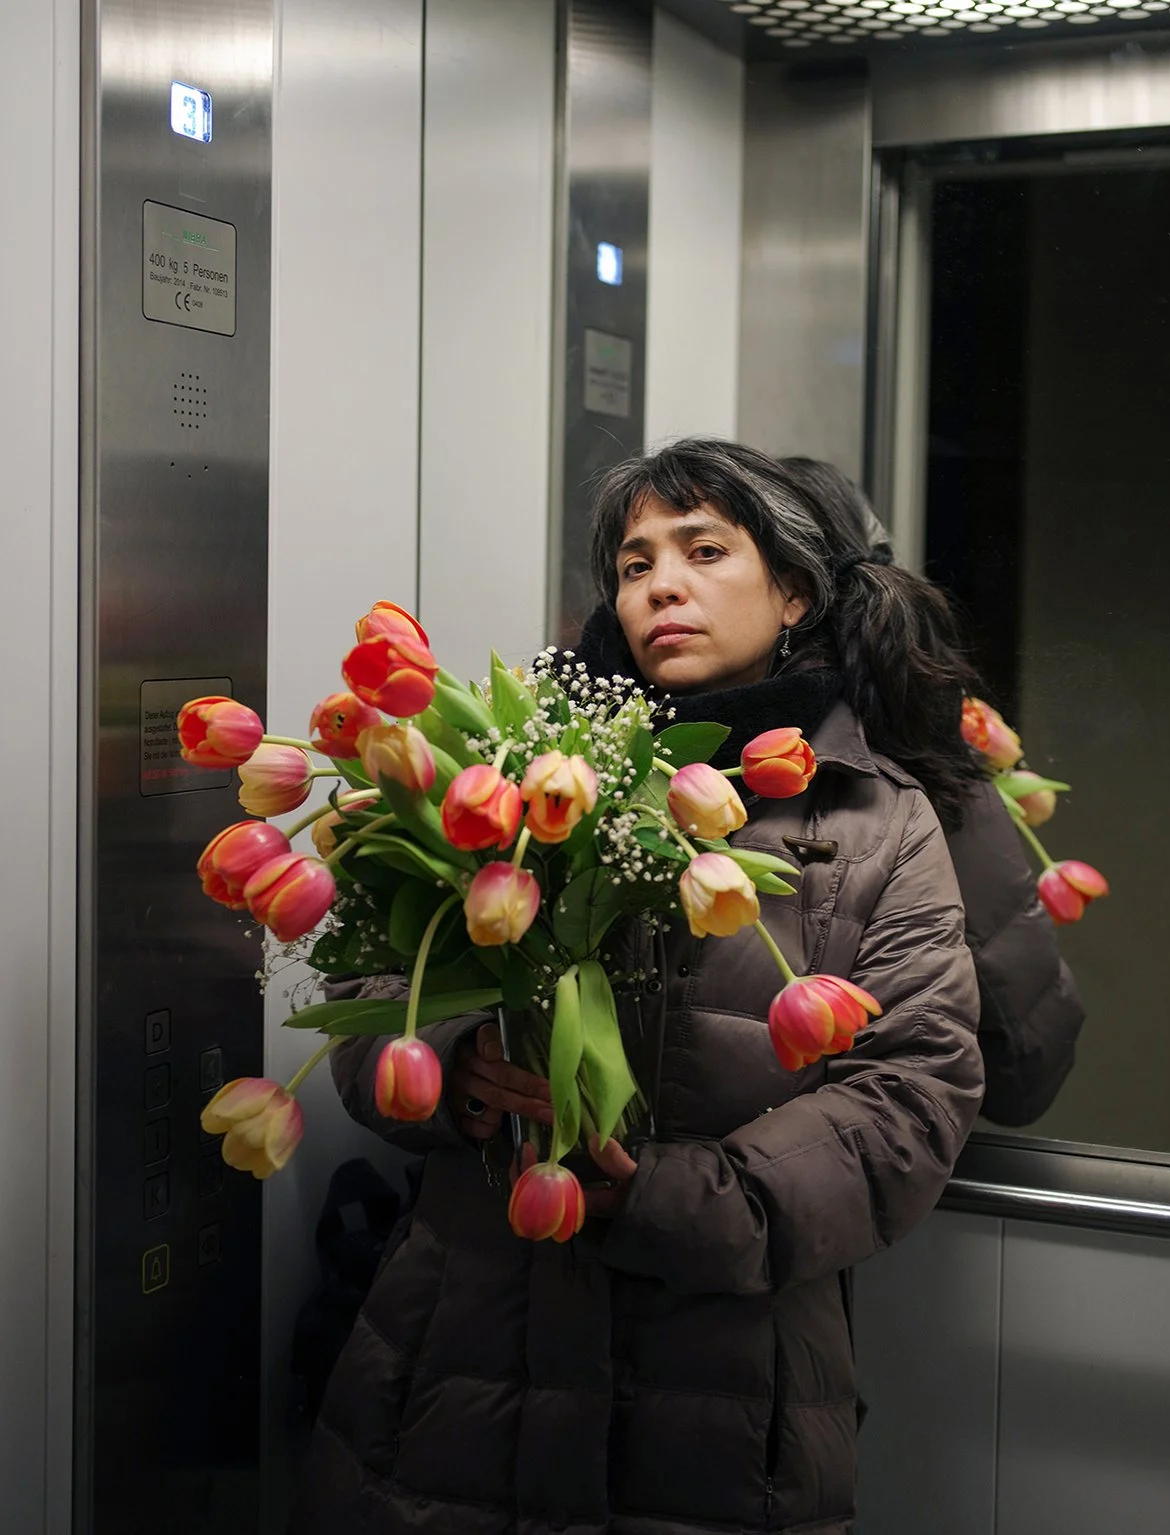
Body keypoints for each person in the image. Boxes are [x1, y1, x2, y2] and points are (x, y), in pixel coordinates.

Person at [292, 438, 984, 1535]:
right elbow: (375, 994)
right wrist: (459, 1071)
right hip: (456, 1362)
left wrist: (665, 1196)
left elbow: (913, 1095)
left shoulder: (875, 817)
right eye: (633, 563)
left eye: (704, 551)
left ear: (794, 591)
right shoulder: (518, 770)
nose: (660, 583)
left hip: (723, 1390)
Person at [780, 455, 1085, 1126]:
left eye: (710, 554)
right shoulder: (908, 725)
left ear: (793, 591)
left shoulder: (887, 742)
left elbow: (1025, 1057)